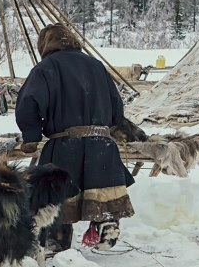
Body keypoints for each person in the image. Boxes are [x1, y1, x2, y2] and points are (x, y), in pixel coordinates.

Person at [15, 23, 134, 251]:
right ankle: (107, 226)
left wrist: (31, 136)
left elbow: (28, 104)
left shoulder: (45, 68)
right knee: (103, 194)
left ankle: (56, 242)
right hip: (102, 145)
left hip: (65, 146)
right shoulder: (97, 66)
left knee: (58, 199)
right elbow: (117, 108)